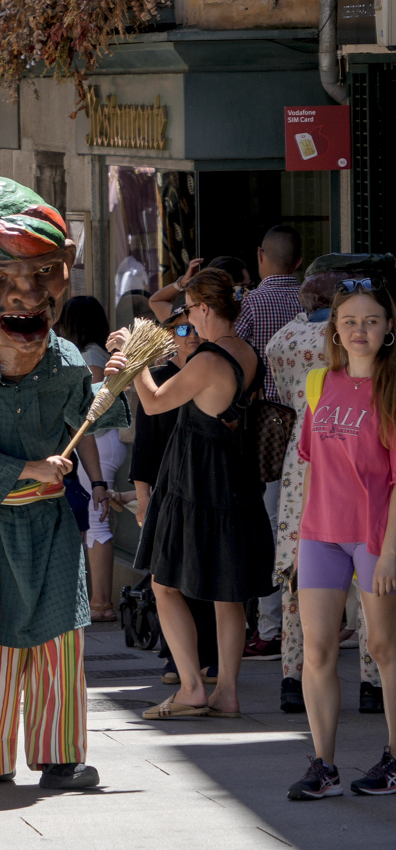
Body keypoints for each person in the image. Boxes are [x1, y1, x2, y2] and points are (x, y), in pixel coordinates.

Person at [0, 177, 128, 791]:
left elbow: (90, 417)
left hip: (51, 526)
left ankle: (61, 756)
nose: (26, 295)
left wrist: (116, 384)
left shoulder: (65, 360)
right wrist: (31, 468)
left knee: (60, 639)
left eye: (43, 273)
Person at [130, 267, 273, 721]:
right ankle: (226, 694)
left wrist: (133, 360)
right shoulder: (246, 351)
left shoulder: (208, 360)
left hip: (197, 480)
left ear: (206, 309)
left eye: (190, 310)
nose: (187, 318)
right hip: (234, 479)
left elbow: (154, 402)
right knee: (228, 594)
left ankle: (191, 687)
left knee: (164, 583)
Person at [284, 278, 396, 798]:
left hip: (375, 535)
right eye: (349, 320)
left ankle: (394, 758)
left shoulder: (392, 388)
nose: (359, 330)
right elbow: (312, 466)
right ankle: (323, 766)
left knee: (384, 647)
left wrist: (390, 552)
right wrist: (299, 544)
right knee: (317, 650)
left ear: (388, 327)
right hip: (321, 536)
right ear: (334, 328)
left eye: (371, 320)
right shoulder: (319, 383)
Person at [269, 256, 391, 715]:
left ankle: (291, 672)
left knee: (297, 591)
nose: (358, 326)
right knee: (361, 612)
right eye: (349, 317)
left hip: (306, 474)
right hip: (328, 472)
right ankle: (369, 683)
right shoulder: (330, 368)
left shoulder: (283, 340)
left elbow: (279, 395)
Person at [233, 225, 306, 657]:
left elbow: (232, 355)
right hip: (317, 424)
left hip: (268, 427)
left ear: (261, 256)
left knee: (271, 524)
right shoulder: (313, 303)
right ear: (298, 262)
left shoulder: (252, 304)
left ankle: (271, 626)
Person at [57, 295, 124, 622]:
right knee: (96, 522)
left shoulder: (90, 355)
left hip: (97, 442)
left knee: (97, 523)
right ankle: (98, 602)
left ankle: (101, 603)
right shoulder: (96, 352)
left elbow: (90, 409)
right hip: (102, 441)